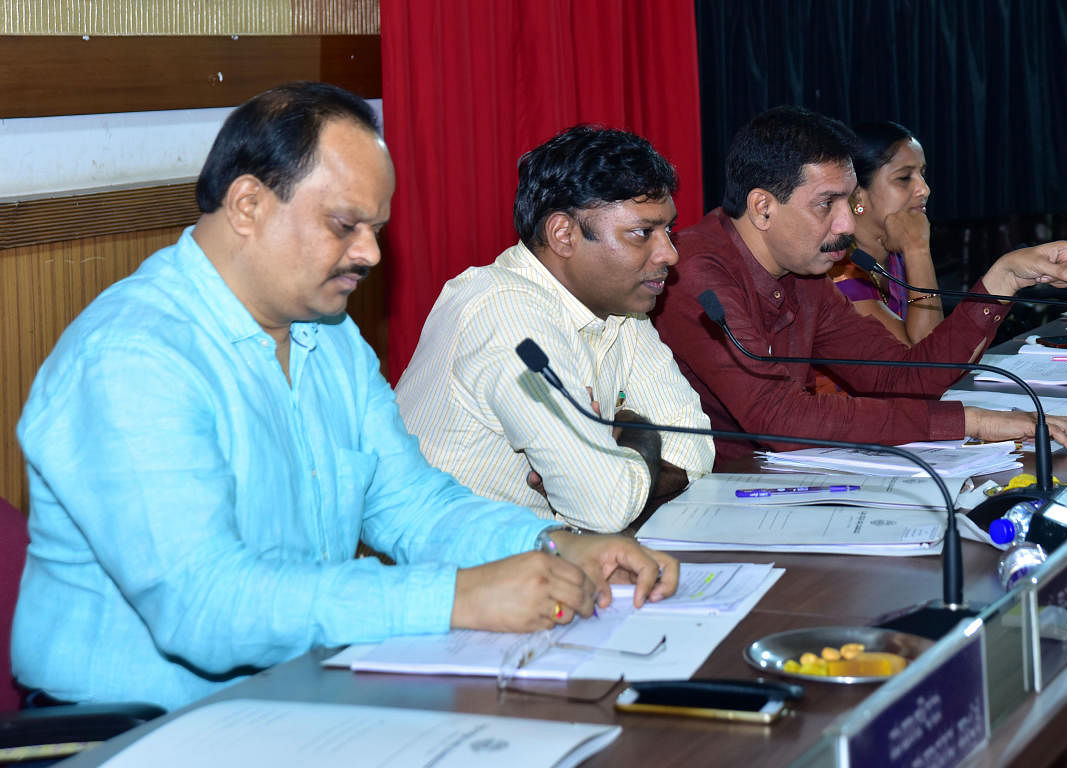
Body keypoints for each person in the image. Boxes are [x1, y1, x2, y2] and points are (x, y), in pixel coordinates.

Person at [12, 83, 678, 711]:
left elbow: (413, 506)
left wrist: (555, 544)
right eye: (344, 225)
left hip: (296, 696)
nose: (371, 254)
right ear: (248, 206)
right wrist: (453, 597)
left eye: (376, 228)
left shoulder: (326, 336)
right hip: (138, 728)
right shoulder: (133, 358)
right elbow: (204, 605)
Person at [652, 106, 1067, 464]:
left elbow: (903, 377)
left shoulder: (804, 268)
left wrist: (1002, 280)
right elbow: (779, 419)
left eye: (849, 202)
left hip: (785, 480)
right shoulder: (696, 271)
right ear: (762, 207)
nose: (846, 225)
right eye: (826, 204)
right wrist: (972, 422)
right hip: (719, 501)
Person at [394, 125, 714, 533]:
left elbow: (696, 452)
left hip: (539, 563)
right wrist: (645, 437)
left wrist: (618, 466)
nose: (669, 253)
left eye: (667, 231)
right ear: (564, 234)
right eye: (642, 233)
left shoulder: (620, 310)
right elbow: (604, 507)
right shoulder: (505, 313)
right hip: (445, 576)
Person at [830, 121, 943, 345]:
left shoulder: (895, 253)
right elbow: (928, 359)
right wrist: (918, 250)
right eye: (904, 178)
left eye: (922, 174)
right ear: (857, 195)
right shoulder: (838, 272)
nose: (924, 189)